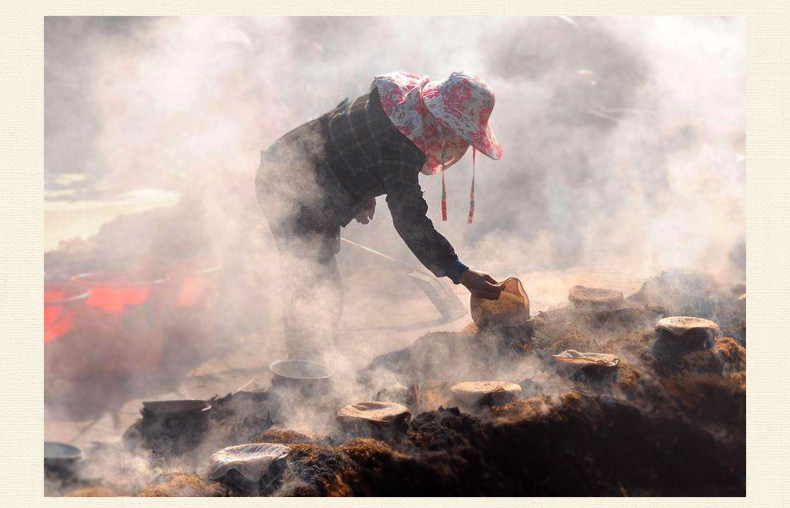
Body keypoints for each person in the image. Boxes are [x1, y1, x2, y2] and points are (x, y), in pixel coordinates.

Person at [256, 71, 504, 361]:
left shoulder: (405, 105)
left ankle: (315, 363)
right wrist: (459, 271)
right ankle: (305, 375)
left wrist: (364, 190)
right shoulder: (402, 140)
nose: (456, 142)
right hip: (287, 182)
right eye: (457, 134)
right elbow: (409, 218)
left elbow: (352, 138)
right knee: (313, 283)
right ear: (442, 121)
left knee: (319, 283)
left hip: (300, 170)